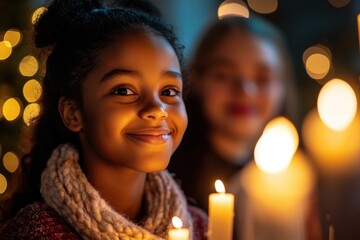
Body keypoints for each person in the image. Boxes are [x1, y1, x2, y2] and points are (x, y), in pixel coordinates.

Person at [0, 0, 207, 239]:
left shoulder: (200, 227)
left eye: (169, 92)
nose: (157, 109)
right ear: (73, 113)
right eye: (124, 91)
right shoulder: (38, 233)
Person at [168, 16, 306, 239]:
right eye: (224, 75)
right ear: (198, 80)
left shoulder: (300, 184)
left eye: (262, 78)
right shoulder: (168, 183)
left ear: (282, 87)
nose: (245, 91)